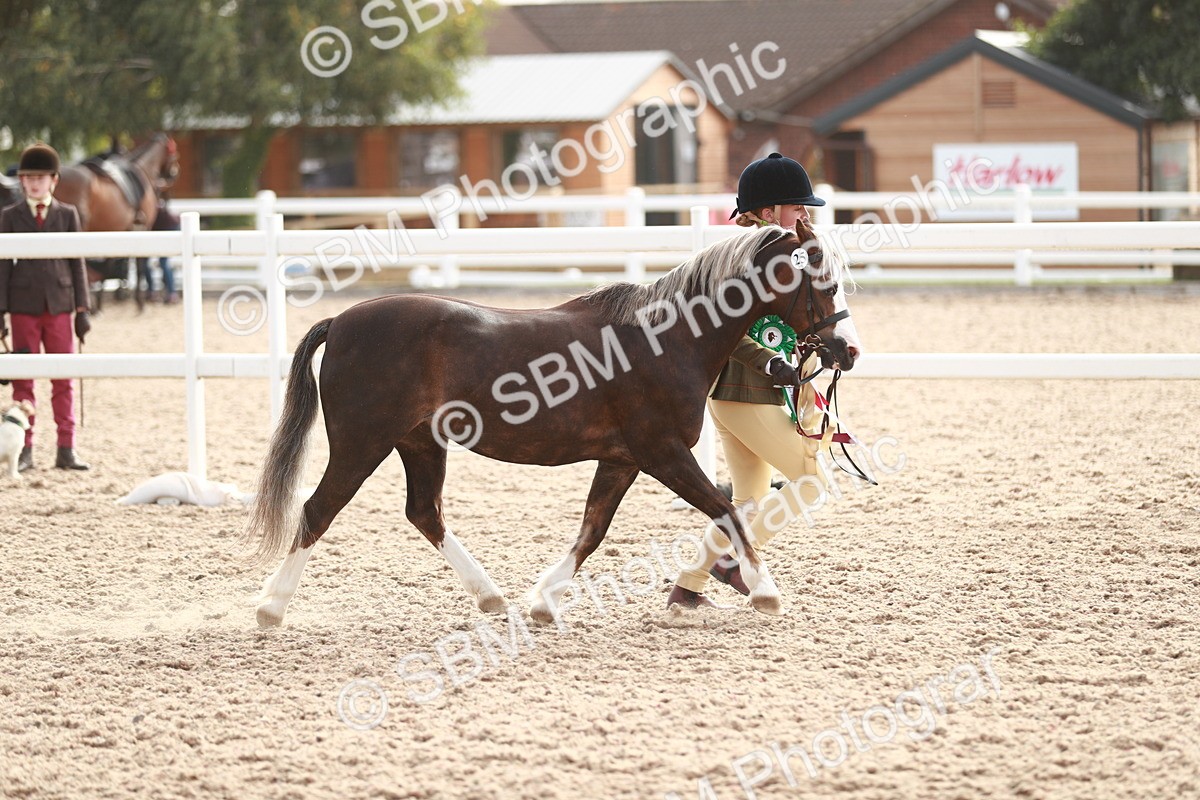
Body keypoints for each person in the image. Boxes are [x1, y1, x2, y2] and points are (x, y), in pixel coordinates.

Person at [667, 152, 841, 610]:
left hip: (745, 396)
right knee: (811, 481)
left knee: (747, 500)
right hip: (745, 391)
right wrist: (768, 362)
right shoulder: (740, 262)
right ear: (768, 213)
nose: (805, 214)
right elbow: (728, 329)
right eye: (796, 207)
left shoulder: (783, 258)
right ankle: (733, 559)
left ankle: (689, 587)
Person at [0, 142, 92, 471]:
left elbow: (76, 262)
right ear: (22, 182)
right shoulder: (10, 216)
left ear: (54, 180)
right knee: (24, 379)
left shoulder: (67, 214)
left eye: (41, 177)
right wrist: (1, 310)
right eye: (29, 178)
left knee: (63, 378)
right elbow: (3, 266)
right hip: (23, 305)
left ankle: (66, 447)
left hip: (59, 304)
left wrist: (82, 308)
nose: (35, 183)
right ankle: (24, 448)